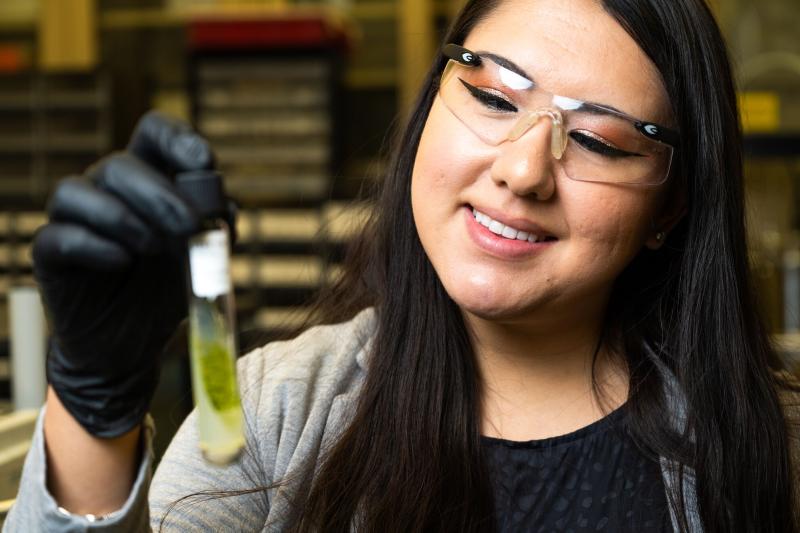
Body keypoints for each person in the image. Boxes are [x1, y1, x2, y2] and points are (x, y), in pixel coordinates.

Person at [4, 0, 799, 530]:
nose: (524, 171)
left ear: (669, 207)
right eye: (493, 98)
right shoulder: (272, 412)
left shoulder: (769, 453)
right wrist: (90, 417)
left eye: (598, 139)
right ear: (428, 114)